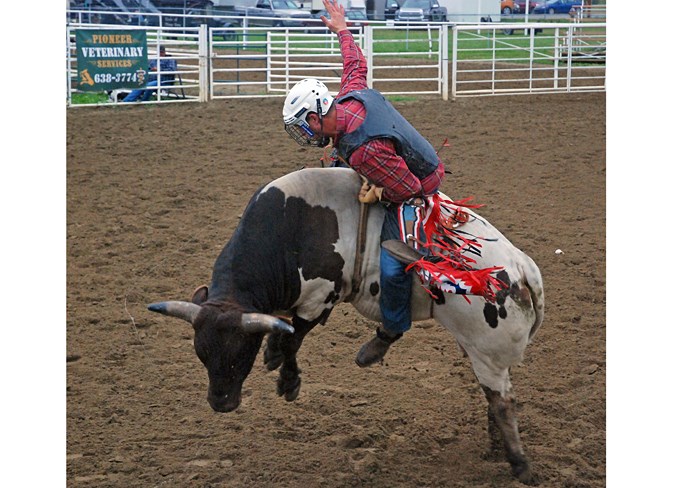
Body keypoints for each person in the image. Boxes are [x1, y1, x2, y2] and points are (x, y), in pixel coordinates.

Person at [282, 0, 446, 367]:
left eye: (303, 127)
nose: (305, 135)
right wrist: (341, 29)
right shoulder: (349, 97)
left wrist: (376, 188)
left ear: (314, 116)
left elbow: (406, 188)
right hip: (393, 155)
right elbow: (356, 64)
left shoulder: (363, 152)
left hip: (419, 183)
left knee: (392, 265)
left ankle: (391, 329)